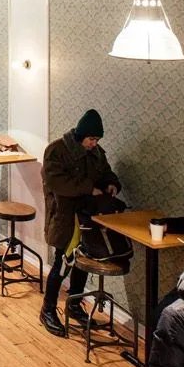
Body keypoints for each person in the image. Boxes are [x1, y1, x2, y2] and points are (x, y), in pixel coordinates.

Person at [39, 108, 121, 337]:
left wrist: (112, 184)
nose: (94, 144)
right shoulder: (56, 150)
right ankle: (47, 309)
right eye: (91, 139)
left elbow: (106, 172)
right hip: (65, 216)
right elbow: (57, 183)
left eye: (97, 140)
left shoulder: (96, 152)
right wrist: (89, 188)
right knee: (62, 262)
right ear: (81, 135)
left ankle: (74, 304)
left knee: (83, 261)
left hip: (88, 216)